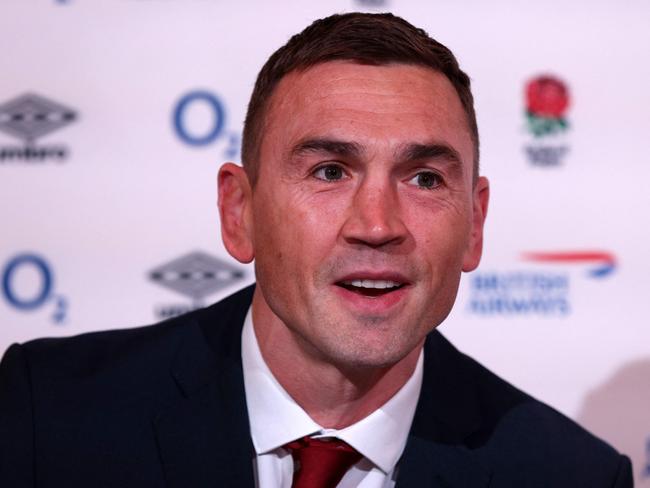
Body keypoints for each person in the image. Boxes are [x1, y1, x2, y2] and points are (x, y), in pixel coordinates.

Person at [0, 12, 632, 488]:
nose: (377, 225)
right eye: (330, 171)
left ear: (474, 224)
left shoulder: (567, 473)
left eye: (424, 178)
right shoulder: (46, 414)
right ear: (238, 212)